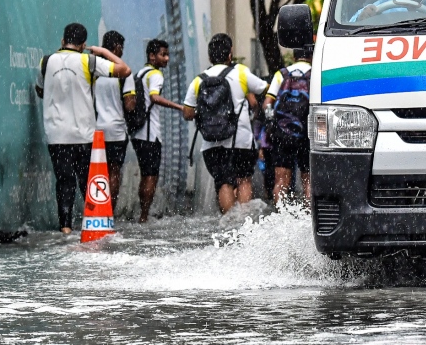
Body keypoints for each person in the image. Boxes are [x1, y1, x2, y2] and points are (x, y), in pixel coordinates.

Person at [37, 22, 131, 234]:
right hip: (84, 135)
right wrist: (104, 51)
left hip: (57, 135)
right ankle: (94, 224)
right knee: (87, 182)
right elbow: (125, 70)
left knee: (64, 181)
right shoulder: (88, 60)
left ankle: (66, 227)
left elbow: (40, 90)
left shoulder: (46, 61)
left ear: (63, 41)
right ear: (83, 44)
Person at [183, 33, 268, 214]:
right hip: (241, 140)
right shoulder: (241, 72)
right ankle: (243, 225)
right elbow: (263, 88)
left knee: (223, 182)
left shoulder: (199, 80)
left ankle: (229, 225)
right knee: (244, 179)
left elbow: (187, 113)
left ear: (209, 56)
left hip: (212, 142)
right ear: (230, 54)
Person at [124, 38, 185, 222]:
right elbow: (155, 98)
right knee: (151, 175)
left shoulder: (141, 73)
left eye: (167, 54)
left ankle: (142, 214)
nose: (166, 58)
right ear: (152, 56)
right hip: (150, 133)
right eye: (162, 54)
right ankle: (144, 216)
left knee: (145, 173)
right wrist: (180, 107)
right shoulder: (156, 75)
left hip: (138, 131)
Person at [265, 45, 314, 203]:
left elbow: (267, 103)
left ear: (294, 57)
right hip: (307, 132)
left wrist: (272, 124)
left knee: (281, 179)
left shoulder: (282, 74)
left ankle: (280, 215)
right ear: (312, 57)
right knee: (308, 179)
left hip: (283, 133)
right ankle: (309, 217)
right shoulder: (315, 74)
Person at [94, 30, 132, 206]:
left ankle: (98, 207)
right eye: (121, 48)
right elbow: (130, 105)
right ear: (116, 48)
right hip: (116, 130)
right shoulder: (124, 73)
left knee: (99, 171)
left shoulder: (95, 71)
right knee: (114, 171)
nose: (122, 52)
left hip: (97, 129)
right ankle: (111, 211)